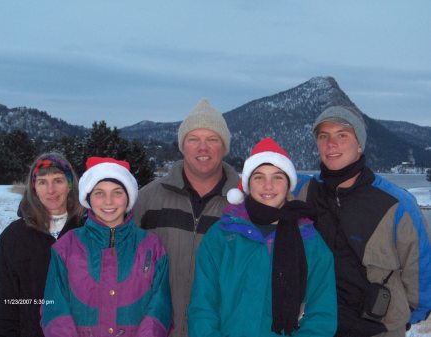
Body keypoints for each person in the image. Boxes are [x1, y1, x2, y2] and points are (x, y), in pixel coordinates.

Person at [294, 106, 431, 337]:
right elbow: (261, 185)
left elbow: (421, 273)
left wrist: (399, 318)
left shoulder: (396, 204)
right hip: (315, 328)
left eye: (342, 135)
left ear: (359, 144)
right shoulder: (303, 192)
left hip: (376, 329)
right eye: (323, 136)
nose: (331, 144)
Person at [188, 137, 337, 337]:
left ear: (288, 184)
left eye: (277, 177)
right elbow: (203, 308)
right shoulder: (222, 235)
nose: (268, 186)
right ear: (248, 183)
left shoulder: (309, 240)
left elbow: (321, 314)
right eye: (259, 177)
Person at [133, 98, 240, 337]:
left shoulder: (245, 205)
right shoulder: (147, 200)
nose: (203, 148)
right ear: (183, 146)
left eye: (212, 139)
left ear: (224, 147)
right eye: (194, 139)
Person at [41, 157, 172, 337]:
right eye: (99, 193)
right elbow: (54, 307)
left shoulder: (151, 246)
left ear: (129, 198)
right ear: (88, 198)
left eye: (117, 192)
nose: (108, 201)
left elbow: (160, 306)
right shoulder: (66, 246)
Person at [0, 152, 84, 337]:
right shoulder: (13, 237)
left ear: (70, 185)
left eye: (58, 180)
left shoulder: (89, 231)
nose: (50, 190)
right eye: (42, 182)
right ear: (34, 188)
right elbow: (4, 310)